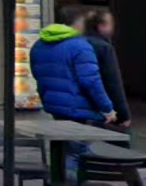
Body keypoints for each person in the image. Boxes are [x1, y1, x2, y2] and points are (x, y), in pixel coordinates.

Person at [29, 10, 116, 166]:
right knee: (77, 153)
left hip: (54, 105)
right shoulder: (80, 46)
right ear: (77, 24)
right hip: (78, 107)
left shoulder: (39, 45)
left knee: (62, 148)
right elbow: (91, 81)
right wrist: (107, 108)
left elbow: (38, 75)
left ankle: (56, 185)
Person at [84, 10, 130, 129]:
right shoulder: (103, 48)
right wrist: (123, 114)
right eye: (110, 24)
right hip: (102, 110)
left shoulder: (76, 43)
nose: (113, 28)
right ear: (101, 26)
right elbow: (113, 82)